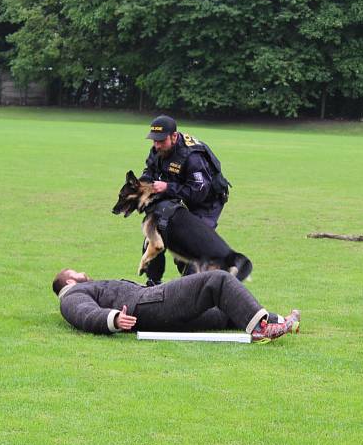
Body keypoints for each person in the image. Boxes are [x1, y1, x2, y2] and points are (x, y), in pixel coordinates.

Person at [51, 269, 300, 343]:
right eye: (76, 272)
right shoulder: (72, 295)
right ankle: (262, 328)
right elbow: (82, 314)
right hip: (148, 305)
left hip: (149, 309)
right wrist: (113, 319)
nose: (84, 272)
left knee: (222, 313)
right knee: (217, 280)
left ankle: (280, 322)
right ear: (69, 281)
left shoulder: (79, 289)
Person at [140, 114, 231, 284]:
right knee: (154, 233)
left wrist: (167, 187)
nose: (157, 145)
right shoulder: (158, 149)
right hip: (178, 196)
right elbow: (149, 171)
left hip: (206, 202)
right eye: (154, 140)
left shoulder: (192, 156)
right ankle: (153, 285)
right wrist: (143, 185)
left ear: (174, 136)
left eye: (161, 140)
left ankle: (193, 292)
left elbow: (198, 193)